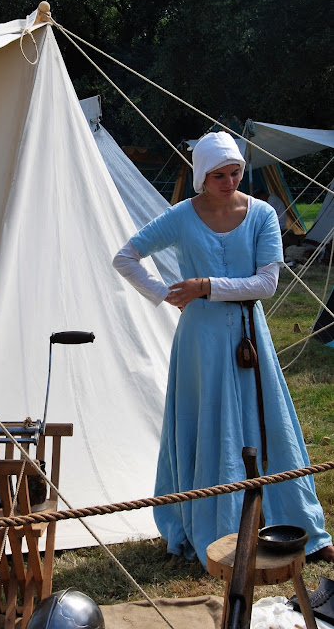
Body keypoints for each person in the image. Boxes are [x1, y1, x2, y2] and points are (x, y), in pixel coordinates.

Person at [113, 131, 334, 568]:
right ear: (202, 176)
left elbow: (267, 284)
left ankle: (302, 528)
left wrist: (205, 286)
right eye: (219, 175)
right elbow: (125, 257)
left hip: (249, 338)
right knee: (211, 426)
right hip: (200, 341)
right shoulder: (181, 216)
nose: (230, 181)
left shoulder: (262, 214)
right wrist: (165, 293)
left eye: (235, 172)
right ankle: (219, 531)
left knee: (269, 426)